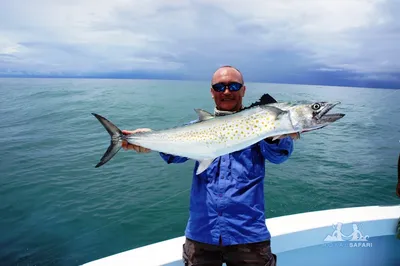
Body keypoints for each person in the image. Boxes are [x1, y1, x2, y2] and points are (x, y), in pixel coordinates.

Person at [121, 66, 299, 266]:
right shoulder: (196, 127)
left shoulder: (262, 125)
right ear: (212, 91)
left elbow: (279, 156)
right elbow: (173, 155)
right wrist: (147, 140)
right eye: (219, 86)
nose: (226, 91)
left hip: (248, 234)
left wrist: (277, 135)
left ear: (243, 90)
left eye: (233, 85)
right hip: (202, 234)